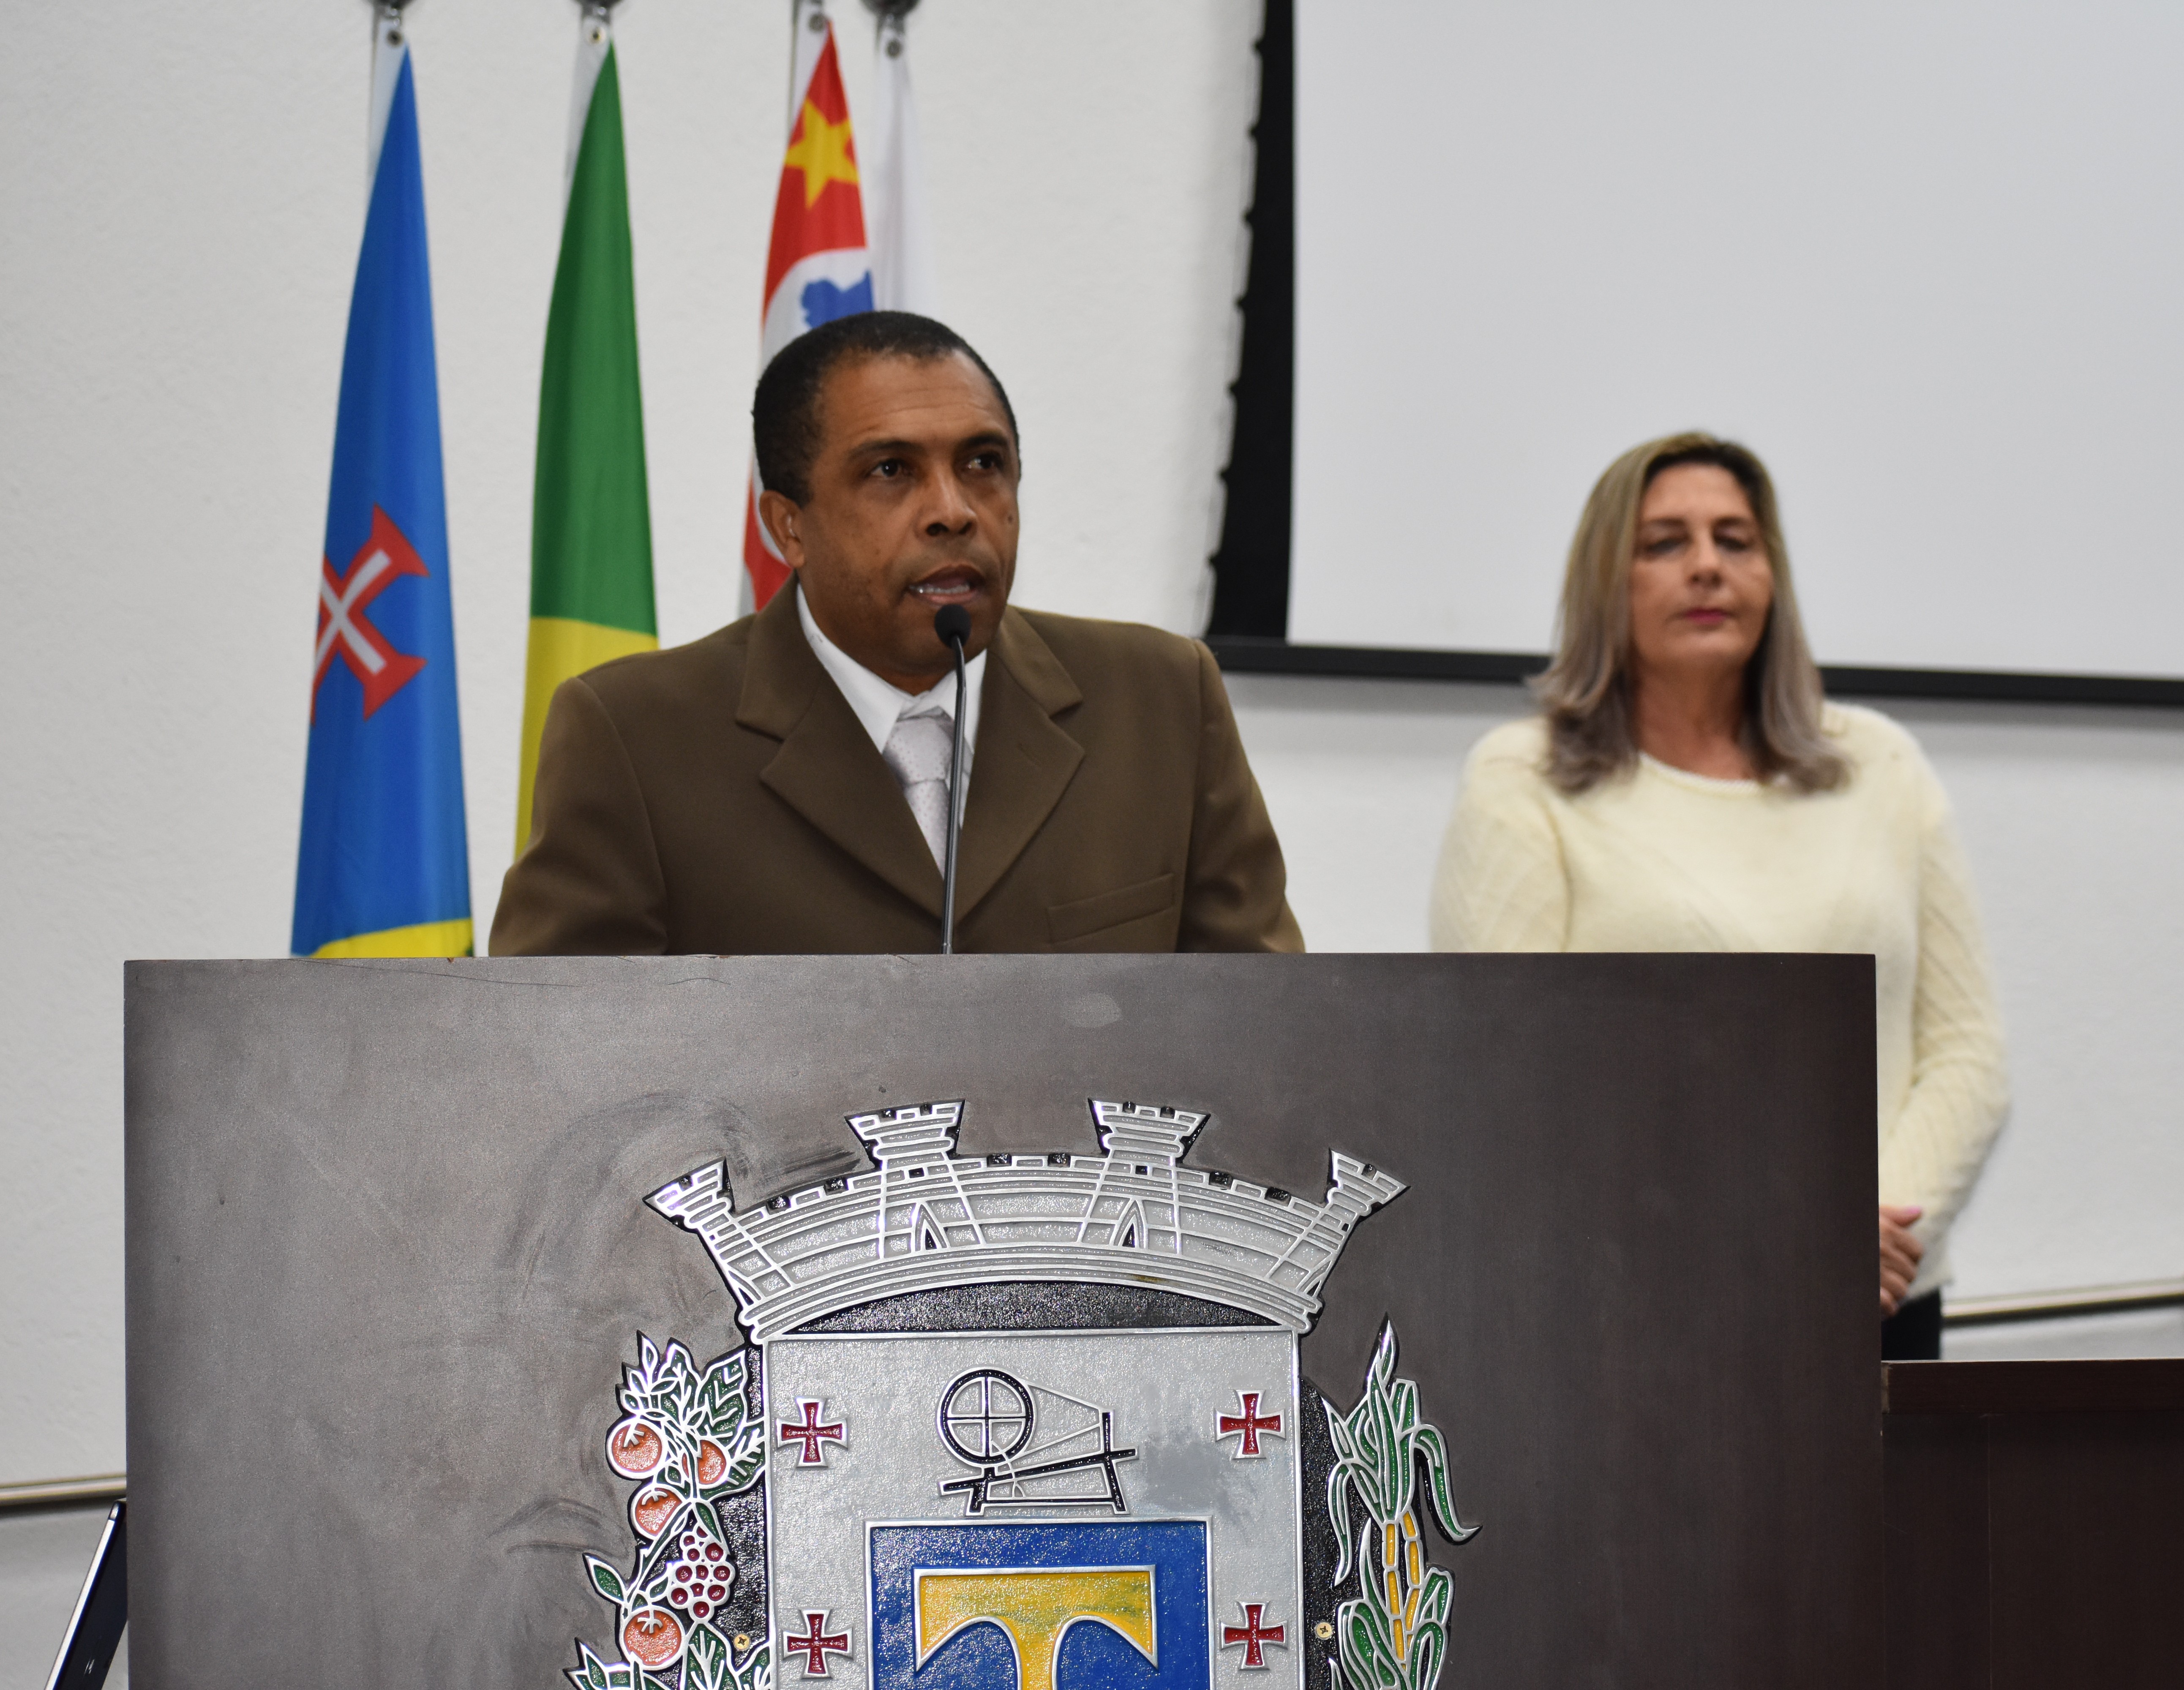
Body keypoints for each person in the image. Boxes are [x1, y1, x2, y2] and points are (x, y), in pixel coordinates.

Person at [1429, 432, 2007, 1357]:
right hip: (1639, 1306)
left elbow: (1967, 1054)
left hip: (1877, 1295)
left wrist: (1861, 1232)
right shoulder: (1521, 780)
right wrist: (1778, 1237)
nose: (1708, 566)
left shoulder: (1882, 764)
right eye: (1665, 543)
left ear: (1772, 575)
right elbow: (1503, 1078)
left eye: (1736, 540)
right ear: (1605, 581)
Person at [492, 312, 1302, 956]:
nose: (953, 510)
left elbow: (1267, 1035)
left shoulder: (1161, 699)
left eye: (983, 464)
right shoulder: (638, 737)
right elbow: (557, 1059)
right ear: (788, 527)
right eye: (891, 471)